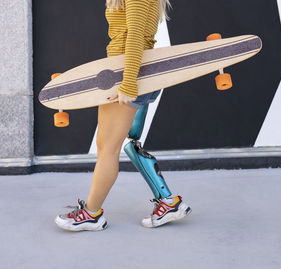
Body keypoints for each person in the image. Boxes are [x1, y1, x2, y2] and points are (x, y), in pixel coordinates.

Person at [55, 0, 191, 232]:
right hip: (125, 74)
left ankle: (92, 214)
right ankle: (168, 202)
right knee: (122, 145)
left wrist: (128, 84)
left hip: (126, 77)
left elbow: (135, 36)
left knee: (108, 149)